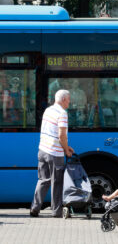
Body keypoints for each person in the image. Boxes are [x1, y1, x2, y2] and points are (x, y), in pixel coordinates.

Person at [30, 90, 74, 218]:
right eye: (69, 99)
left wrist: (66, 146)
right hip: (54, 153)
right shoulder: (62, 113)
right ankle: (56, 211)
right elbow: (61, 135)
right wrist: (66, 150)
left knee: (43, 180)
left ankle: (35, 207)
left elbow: (52, 132)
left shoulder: (48, 110)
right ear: (64, 99)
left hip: (43, 149)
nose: (70, 101)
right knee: (57, 182)